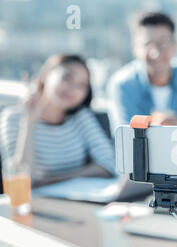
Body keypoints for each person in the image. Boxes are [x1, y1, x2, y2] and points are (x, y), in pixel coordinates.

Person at [0, 54, 116, 187]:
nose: (73, 89)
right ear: (45, 75)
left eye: (82, 85)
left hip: (71, 200)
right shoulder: (13, 118)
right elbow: (20, 180)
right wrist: (29, 122)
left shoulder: (81, 117)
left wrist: (51, 181)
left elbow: (108, 164)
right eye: (67, 78)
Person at [108, 11, 177, 132]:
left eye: (162, 44)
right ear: (135, 48)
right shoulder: (123, 84)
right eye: (147, 44)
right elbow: (125, 140)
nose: (155, 53)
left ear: (175, 45)